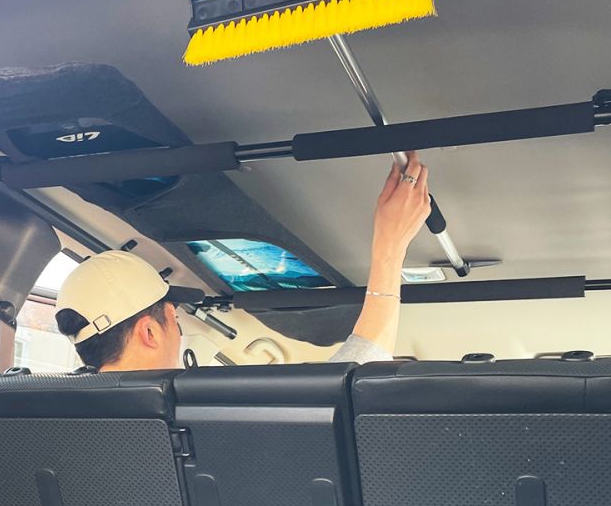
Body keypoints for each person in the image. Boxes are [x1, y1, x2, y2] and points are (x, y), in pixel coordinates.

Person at [55, 153, 431, 370]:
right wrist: (390, 243)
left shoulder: (59, 424)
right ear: (149, 332)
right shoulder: (187, 418)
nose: (179, 332)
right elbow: (347, 385)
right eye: (174, 320)